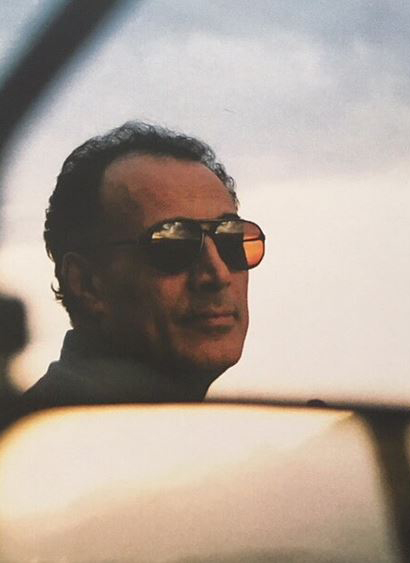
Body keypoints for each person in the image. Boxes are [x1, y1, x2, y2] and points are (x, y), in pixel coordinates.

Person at [23, 121, 265, 404]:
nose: (218, 273)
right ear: (86, 284)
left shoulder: (171, 424)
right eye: (172, 246)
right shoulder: (61, 424)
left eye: (231, 241)